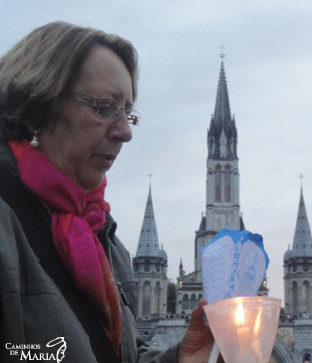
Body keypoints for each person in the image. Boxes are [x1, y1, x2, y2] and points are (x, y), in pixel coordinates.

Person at [0, 21, 215, 362]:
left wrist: (182, 358)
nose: (125, 132)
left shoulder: (104, 236)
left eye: (128, 113)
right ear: (39, 104)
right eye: (105, 107)